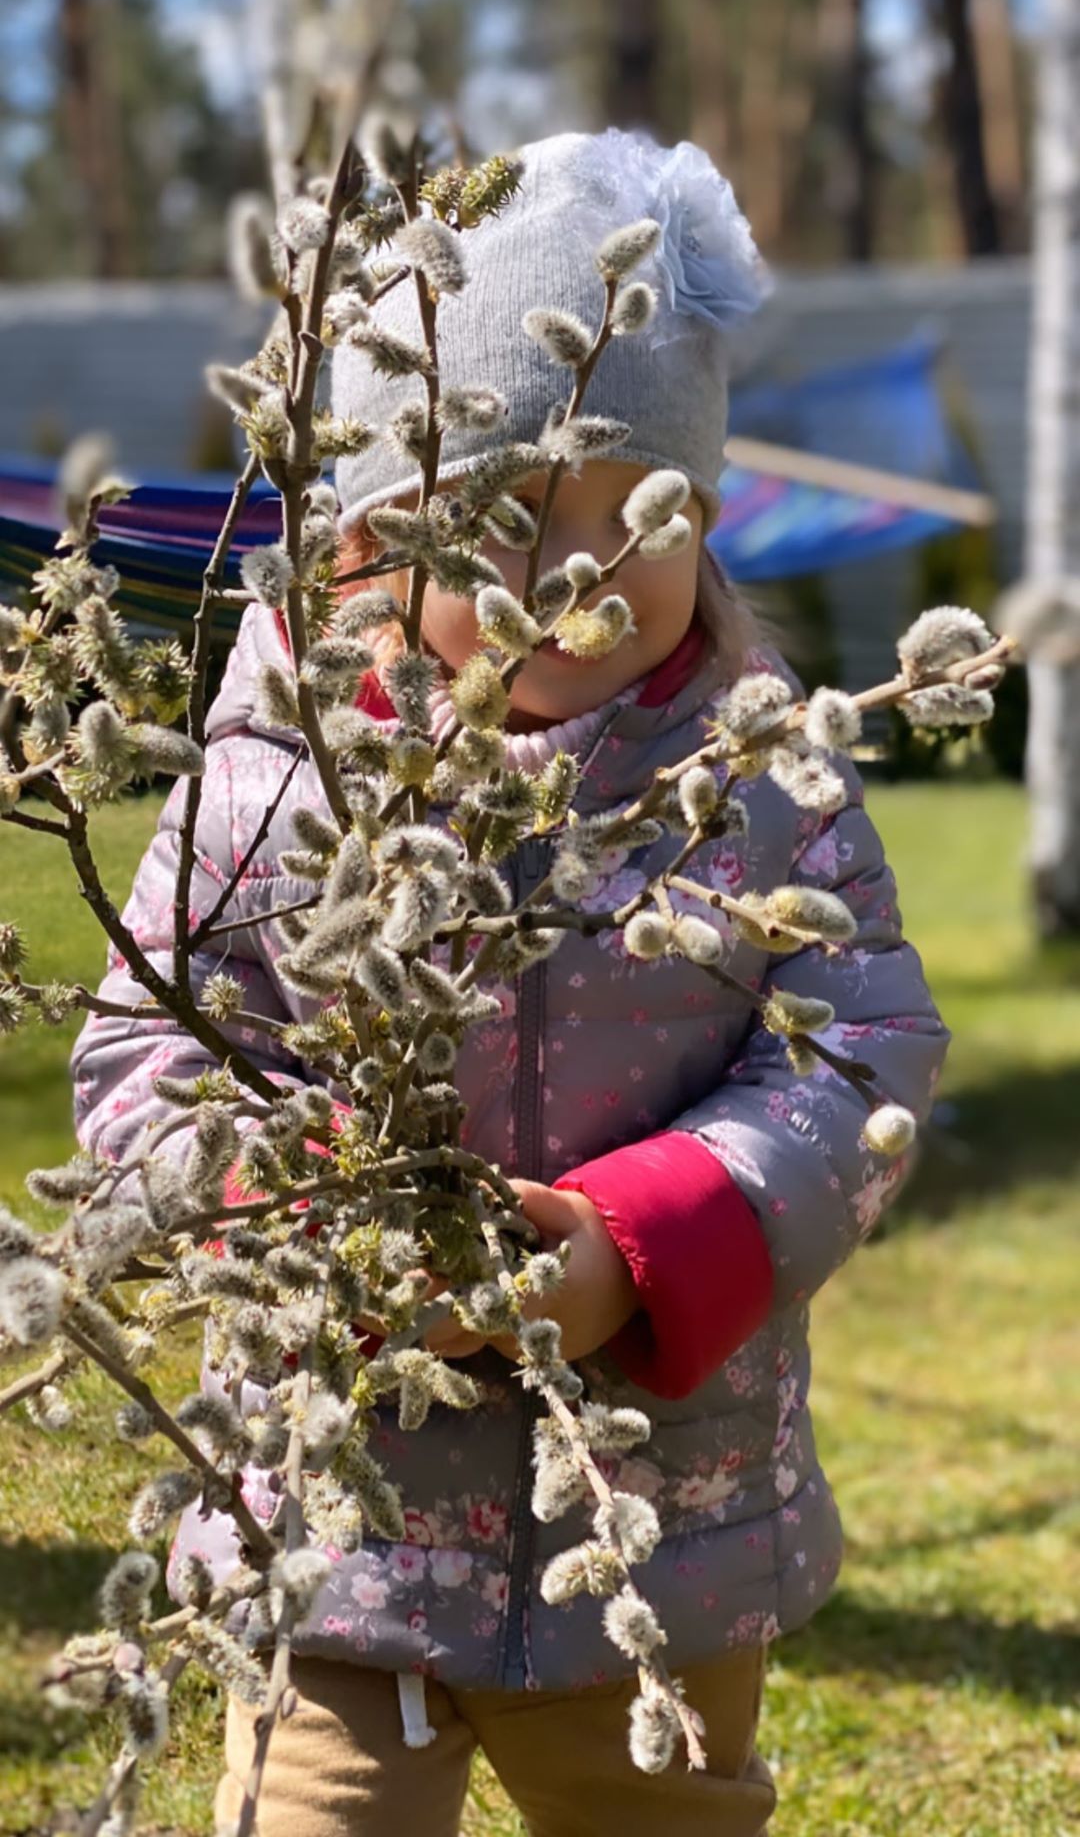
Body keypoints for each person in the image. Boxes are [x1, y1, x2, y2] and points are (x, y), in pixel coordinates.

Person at [71, 129, 949, 1837]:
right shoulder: (265, 789)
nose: (572, 574)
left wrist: (644, 1248)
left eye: (634, 514)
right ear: (365, 550)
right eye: (495, 525)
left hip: (658, 1523)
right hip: (340, 1526)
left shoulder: (768, 787)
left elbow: (863, 1054)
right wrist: (296, 1210)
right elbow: (137, 1058)